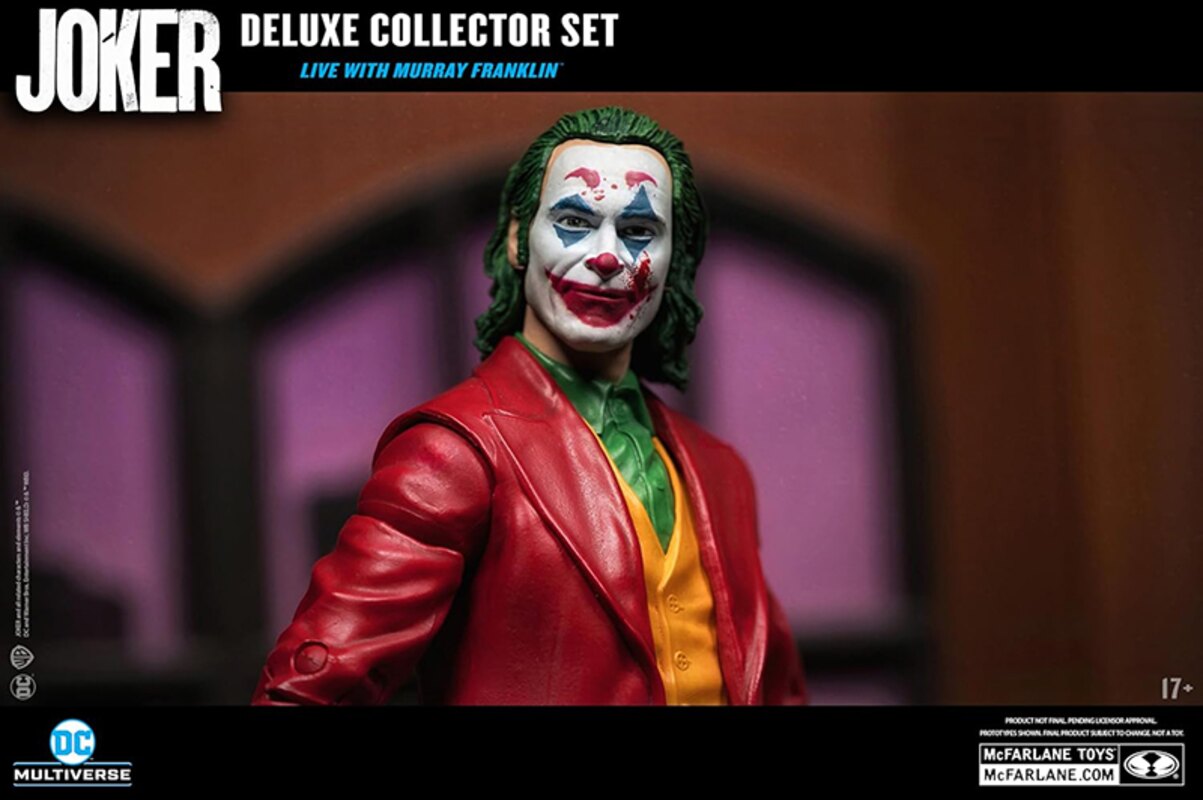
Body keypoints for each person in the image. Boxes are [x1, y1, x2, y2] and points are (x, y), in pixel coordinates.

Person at [251, 106, 807, 705]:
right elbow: (312, 687)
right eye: (574, 221)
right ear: (518, 239)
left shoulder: (720, 472)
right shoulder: (455, 453)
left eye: (639, 231)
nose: (607, 257)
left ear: (676, 258)